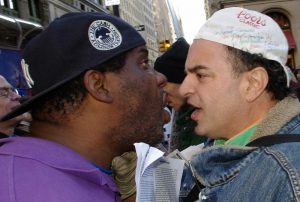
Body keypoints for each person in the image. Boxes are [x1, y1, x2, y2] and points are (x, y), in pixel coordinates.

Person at [0, 12, 167, 202]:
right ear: (99, 86)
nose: (160, 78)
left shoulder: (47, 176)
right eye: (144, 63)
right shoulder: (36, 193)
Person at [179, 7, 300, 201]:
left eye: (201, 75)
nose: (184, 89)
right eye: (187, 75)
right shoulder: (217, 146)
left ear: (253, 84)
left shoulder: (290, 178)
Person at [154, 37, 206, 152]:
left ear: (182, 81)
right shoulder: (182, 117)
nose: (163, 98)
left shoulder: (208, 118)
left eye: (163, 87)